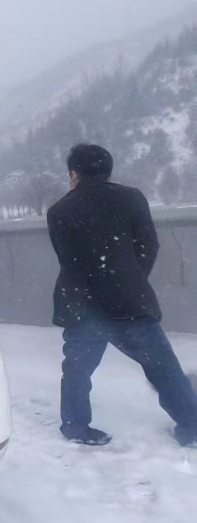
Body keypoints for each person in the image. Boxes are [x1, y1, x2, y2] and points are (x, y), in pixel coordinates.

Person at [47, 143, 197, 447]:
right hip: (129, 302)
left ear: (73, 173)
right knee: (164, 369)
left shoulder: (59, 210)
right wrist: (129, 278)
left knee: (77, 371)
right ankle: (192, 428)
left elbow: (68, 259)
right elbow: (148, 247)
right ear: (109, 171)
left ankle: (76, 427)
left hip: (82, 306)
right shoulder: (131, 198)